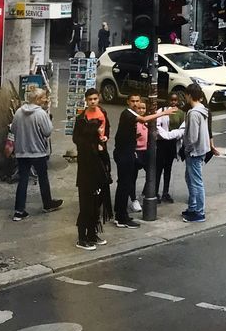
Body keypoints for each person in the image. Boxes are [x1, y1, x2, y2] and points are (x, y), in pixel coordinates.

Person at [113, 93, 167, 228]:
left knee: (124, 185)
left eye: (137, 101)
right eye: (133, 101)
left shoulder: (129, 114)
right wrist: (164, 113)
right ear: (128, 102)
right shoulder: (127, 114)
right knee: (124, 185)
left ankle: (120, 214)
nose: (136, 103)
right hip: (124, 154)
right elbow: (144, 119)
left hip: (127, 153)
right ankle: (121, 217)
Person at [11, 88, 63, 221]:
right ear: (38, 99)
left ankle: (19, 210)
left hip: (22, 151)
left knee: (23, 179)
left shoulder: (18, 112)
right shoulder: (40, 114)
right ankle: (47, 203)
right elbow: (47, 132)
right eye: (44, 97)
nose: (46, 99)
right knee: (43, 178)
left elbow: (13, 129)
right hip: (38, 152)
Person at [72, 88, 112, 250]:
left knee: (97, 201)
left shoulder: (103, 113)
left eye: (95, 98)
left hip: (100, 163)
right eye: (90, 99)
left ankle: (92, 233)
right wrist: (94, 143)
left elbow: (106, 130)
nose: (93, 101)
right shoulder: (82, 119)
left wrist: (104, 139)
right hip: (87, 164)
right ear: (86, 100)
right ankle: (82, 237)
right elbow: (77, 139)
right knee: (86, 202)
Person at [180, 83, 220, 222]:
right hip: (202, 149)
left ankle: (199, 212)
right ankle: (193, 207)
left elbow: (192, 136)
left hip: (194, 151)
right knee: (191, 178)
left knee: (196, 181)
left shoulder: (193, 113)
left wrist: (187, 148)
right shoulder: (203, 110)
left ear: (189, 95)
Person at [155, 91, 185, 202]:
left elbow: (182, 128)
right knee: (158, 169)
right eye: (171, 100)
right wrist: (166, 135)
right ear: (168, 100)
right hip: (161, 143)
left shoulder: (181, 113)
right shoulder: (162, 111)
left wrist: (172, 136)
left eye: (175, 100)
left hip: (172, 143)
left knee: (168, 168)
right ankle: (155, 192)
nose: (173, 102)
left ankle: (165, 192)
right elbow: (157, 125)